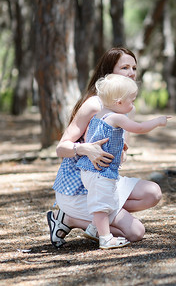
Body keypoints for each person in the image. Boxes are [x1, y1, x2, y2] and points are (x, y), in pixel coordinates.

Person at [47, 47, 163, 248]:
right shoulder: (94, 104)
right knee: (136, 232)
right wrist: (86, 149)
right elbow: (61, 148)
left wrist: (122, 152)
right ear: (109, 72)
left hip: (106, 180)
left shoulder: (127, 108)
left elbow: (120, 154)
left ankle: (101, 216)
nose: (131, 73)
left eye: (134, 67)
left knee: (153, 192)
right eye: (124, 67)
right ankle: (69, 218)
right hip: (80, 185)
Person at [77, 74, 170, 249]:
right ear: (119, 102)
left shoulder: (98, 115)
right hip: (100, 172)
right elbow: (139, 128)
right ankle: (105, 238)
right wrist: (158, 121)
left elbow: (97, 137)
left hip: (89, 170)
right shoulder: (116, 117)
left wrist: (118, 146)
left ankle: (92, 228)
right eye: (132, 101)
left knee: (106, 200)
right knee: (102, 205)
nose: (133, 105)